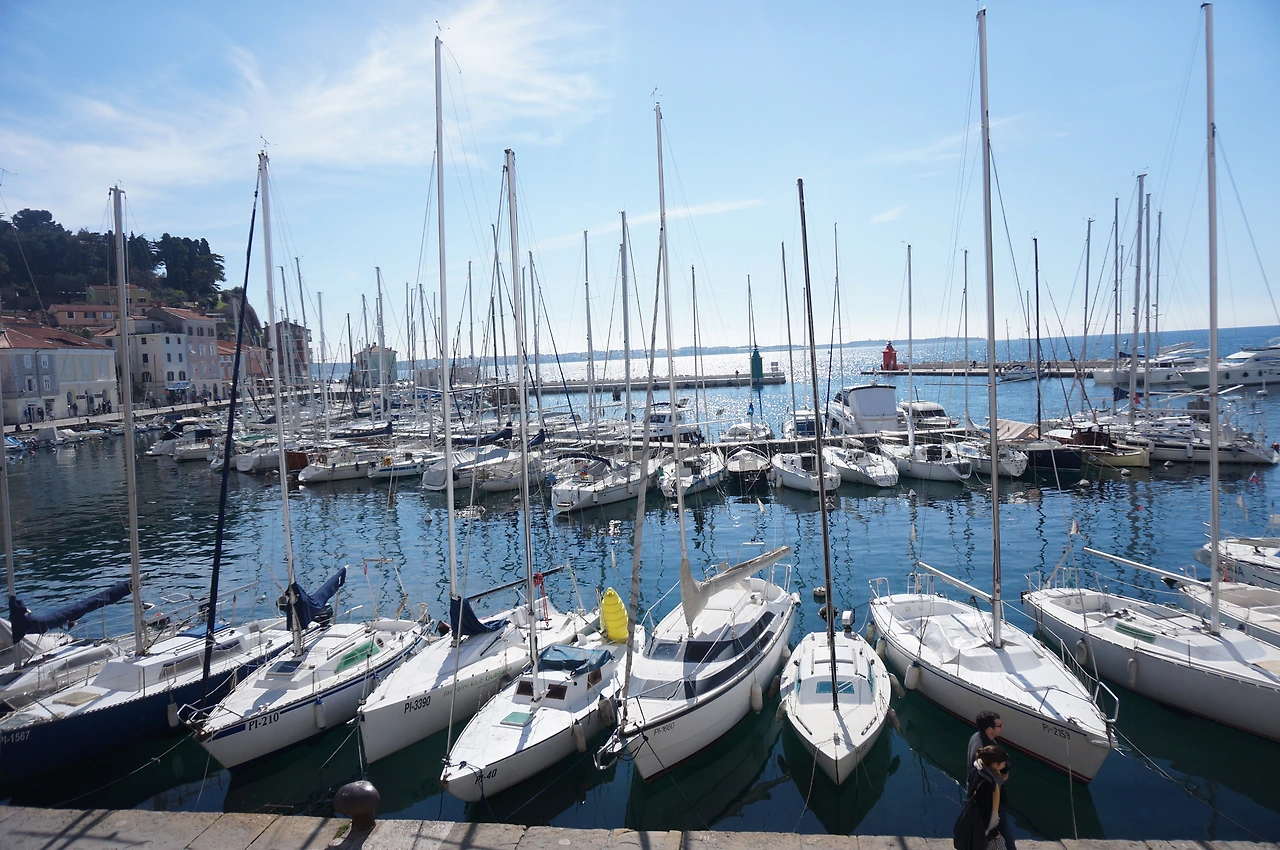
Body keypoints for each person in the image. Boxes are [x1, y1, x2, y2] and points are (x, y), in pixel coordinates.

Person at [965, 713, 1016, 850]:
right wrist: (1001, 779)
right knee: (1004, 831)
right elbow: (986, 809)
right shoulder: (988, 784)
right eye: (999, 725)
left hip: (976, 791)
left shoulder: (976, 737)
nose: (1002, 727)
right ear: (989, 729)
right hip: (992, 799)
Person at [957, 745, 1012, 850]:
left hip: (974, 823)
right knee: (1000, 845)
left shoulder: (978, 769)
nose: (1004, 766)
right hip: (984, 829)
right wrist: (995, 833)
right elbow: (986, 811)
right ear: (995, 764)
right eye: (1003, 763)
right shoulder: (988, 784)